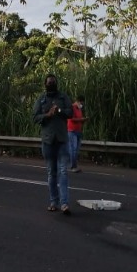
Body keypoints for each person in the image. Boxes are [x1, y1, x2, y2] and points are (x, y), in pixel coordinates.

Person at [33, 74, 73, 215]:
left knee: (63, 171)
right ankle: (53, 201)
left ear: (57, 83)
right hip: (48, 140)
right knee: (51, 173)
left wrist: (59, 111)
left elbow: (71, 112)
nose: (51, 84)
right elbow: (35, 117)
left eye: (53, 82)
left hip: (61, 139)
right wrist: (47, 115)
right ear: (45, 84)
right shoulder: (41, 99)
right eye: (49, 82)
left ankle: (64, 203)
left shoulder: (63, 97)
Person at [67, 95, 87, 173]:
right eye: (81, 103)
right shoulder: (72, 107)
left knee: (77, 149)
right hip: (72, 131)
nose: (82, 104)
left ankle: (74, 165)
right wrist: (80, 119)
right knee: (73, 149)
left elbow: (79, 119)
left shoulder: (79, 109)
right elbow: (71, 118)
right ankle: (73, 166)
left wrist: (83, 120)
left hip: (78, 131)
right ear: (78, 101)